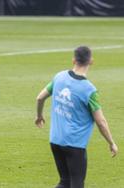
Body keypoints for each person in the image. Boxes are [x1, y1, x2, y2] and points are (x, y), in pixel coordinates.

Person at [35, 46, 118, 188]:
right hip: (74, 144)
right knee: (76, 184)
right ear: (91, 61)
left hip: (55, 140)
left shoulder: (59, 77)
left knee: (65, 182)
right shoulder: (89, 90)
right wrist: (111, 142)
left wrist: (39, 116)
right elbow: (101, 121)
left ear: (73, 60)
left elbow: (40, 98)